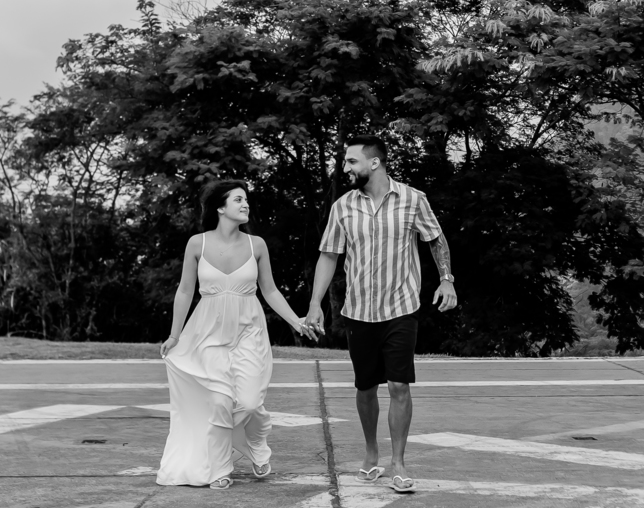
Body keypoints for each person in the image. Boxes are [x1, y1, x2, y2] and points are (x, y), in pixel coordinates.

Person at [305, 135, 458, 494]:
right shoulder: (343, 207)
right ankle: (371, 451)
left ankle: (399, 463)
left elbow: (436, 239)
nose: (345, 168)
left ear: (374, 163)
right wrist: (314, 304)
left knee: (399, 385)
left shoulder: (412, 199)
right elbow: (329, 255)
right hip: (358, 311)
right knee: (365, 387)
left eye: (351, 162)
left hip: (401, 308)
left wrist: (447, 280)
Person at [156, 180, 317, 490]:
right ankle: (219, 468)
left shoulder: (256, 245)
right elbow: (185, 290)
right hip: (207, 334)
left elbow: (269, 290)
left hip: (250, 331)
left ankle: (256, 441)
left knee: (249, 400)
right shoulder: (196, 244)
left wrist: (296, 322)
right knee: (219, 401)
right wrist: (175, 335)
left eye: (246, 200)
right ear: (220, 207)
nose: (246, 205)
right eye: (238, 199)